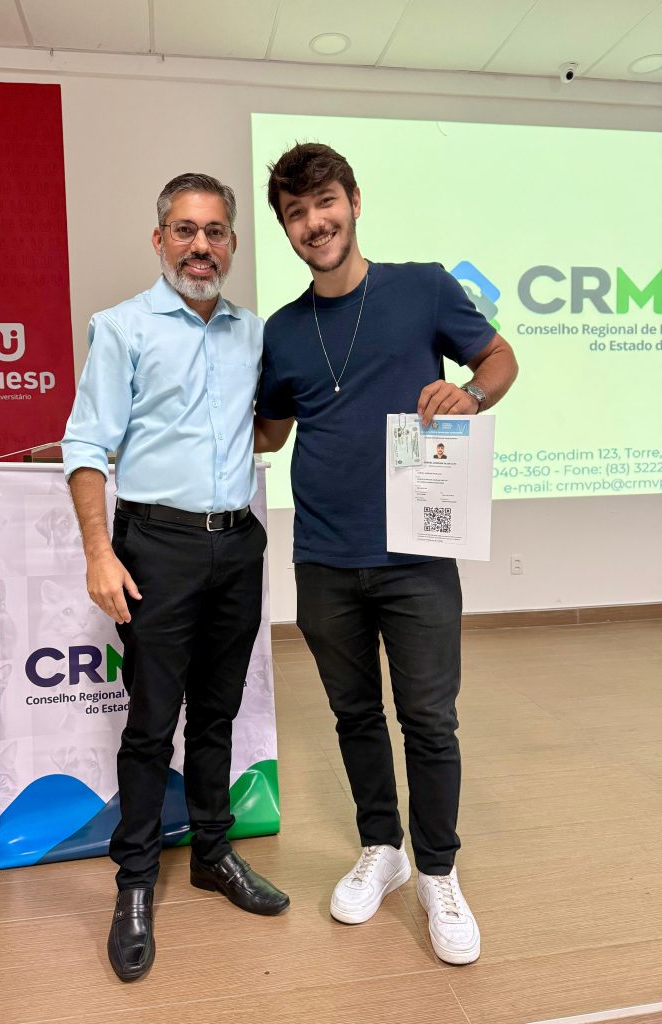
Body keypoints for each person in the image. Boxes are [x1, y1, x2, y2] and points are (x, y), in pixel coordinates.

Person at [254, 143, 518, 965]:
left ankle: (438, 871)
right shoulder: (282, 331)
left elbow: (500, 358)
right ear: (286, 228)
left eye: (324, 203)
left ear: (355, 201)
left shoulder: (422, 286)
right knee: (355, 715)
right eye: (296, 213)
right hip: (323, 556)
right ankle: (383, 848)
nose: (314, 223)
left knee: (430, 720)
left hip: (418, 553)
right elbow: (270, 433)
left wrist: (471, 394)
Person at [62, 172, 289, 984]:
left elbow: (267, 434)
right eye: (185, 230)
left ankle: (213, 853)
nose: (201, 246)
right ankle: (133, 882)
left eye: (215, 231)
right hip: (155, 546)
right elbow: (86, 446)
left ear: (233, 243)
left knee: (218, 713)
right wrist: (99, 553)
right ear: (159, 240)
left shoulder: (252, 333)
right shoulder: (122, 327)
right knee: (153, 723)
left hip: (237, 544)